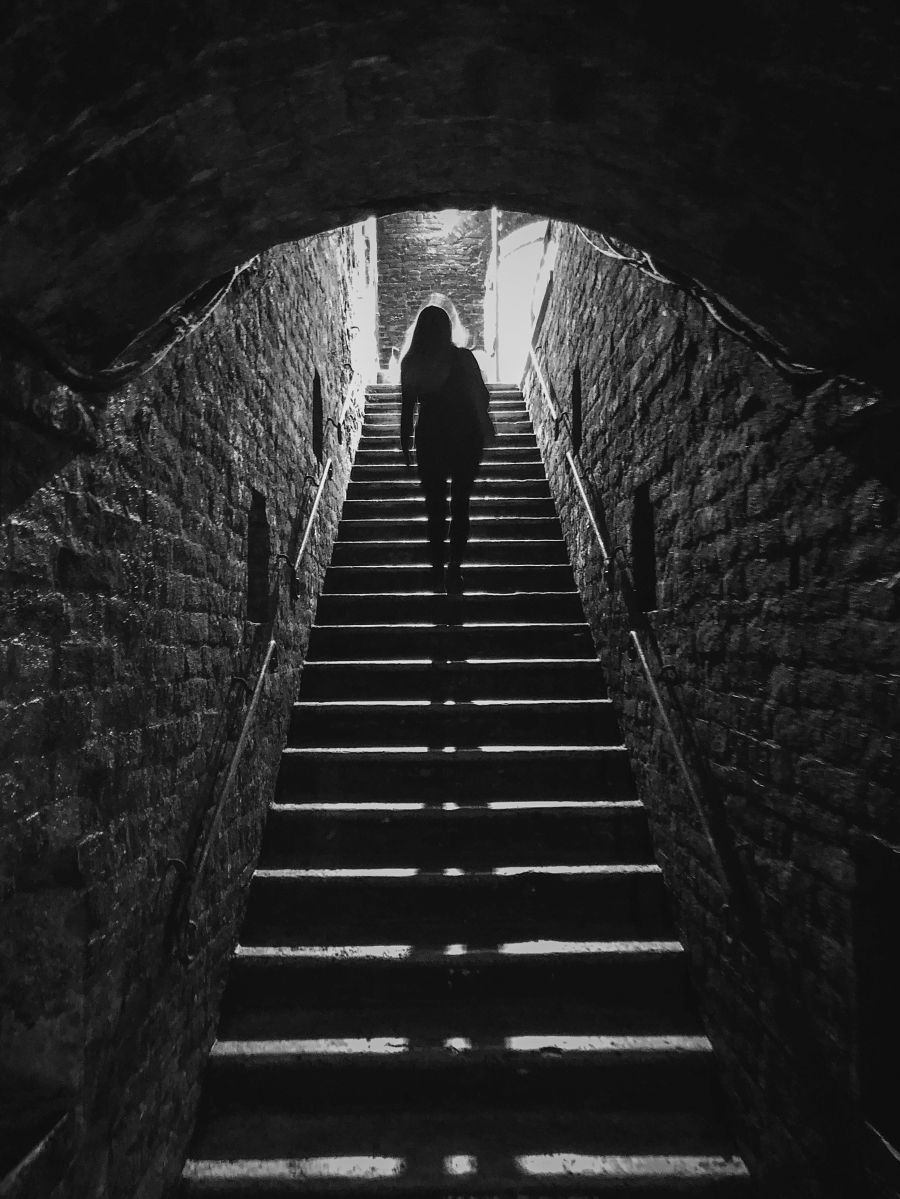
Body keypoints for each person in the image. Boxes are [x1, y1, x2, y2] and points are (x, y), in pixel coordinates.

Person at [400, 305, 494, 594]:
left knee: (436, 507)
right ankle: (455, 567)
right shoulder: (463, 358)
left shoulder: (413, 362)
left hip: (430, 436)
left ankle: (437, 571)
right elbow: (483, 395)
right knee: (461, 503)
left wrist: (405, 444)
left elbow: (407, 408)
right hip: (465, 436)